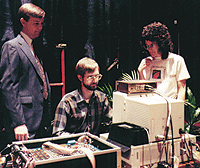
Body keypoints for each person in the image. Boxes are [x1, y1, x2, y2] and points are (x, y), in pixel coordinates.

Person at [0, 3, 51, 143]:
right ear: (23, 22)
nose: (40, 27)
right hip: (24, 123)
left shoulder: (36, 47)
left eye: (41, 23)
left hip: (40, 121)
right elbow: (8, 86)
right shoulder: (12, 47)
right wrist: (18, 123)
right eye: (36, 23)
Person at [52, 57, 112, 136]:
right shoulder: (67, 101)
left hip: (93, 146)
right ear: (80, 78)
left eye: (97, 76)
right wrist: (76, 139)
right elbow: (57, 133)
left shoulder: (102, 99)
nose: (95, 80)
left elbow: (112, 123)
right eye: (90, 77)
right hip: (72, 146)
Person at [138, 22, 190, 100]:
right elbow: (143, 91)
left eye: (152, 45)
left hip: (169, 106)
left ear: (160, 43)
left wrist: (179, 110)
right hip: (150, 105)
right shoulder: (145, 62)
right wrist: (140, 72)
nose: (149, 49)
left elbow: (181, 89)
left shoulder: (176, 60)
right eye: (147, 46)